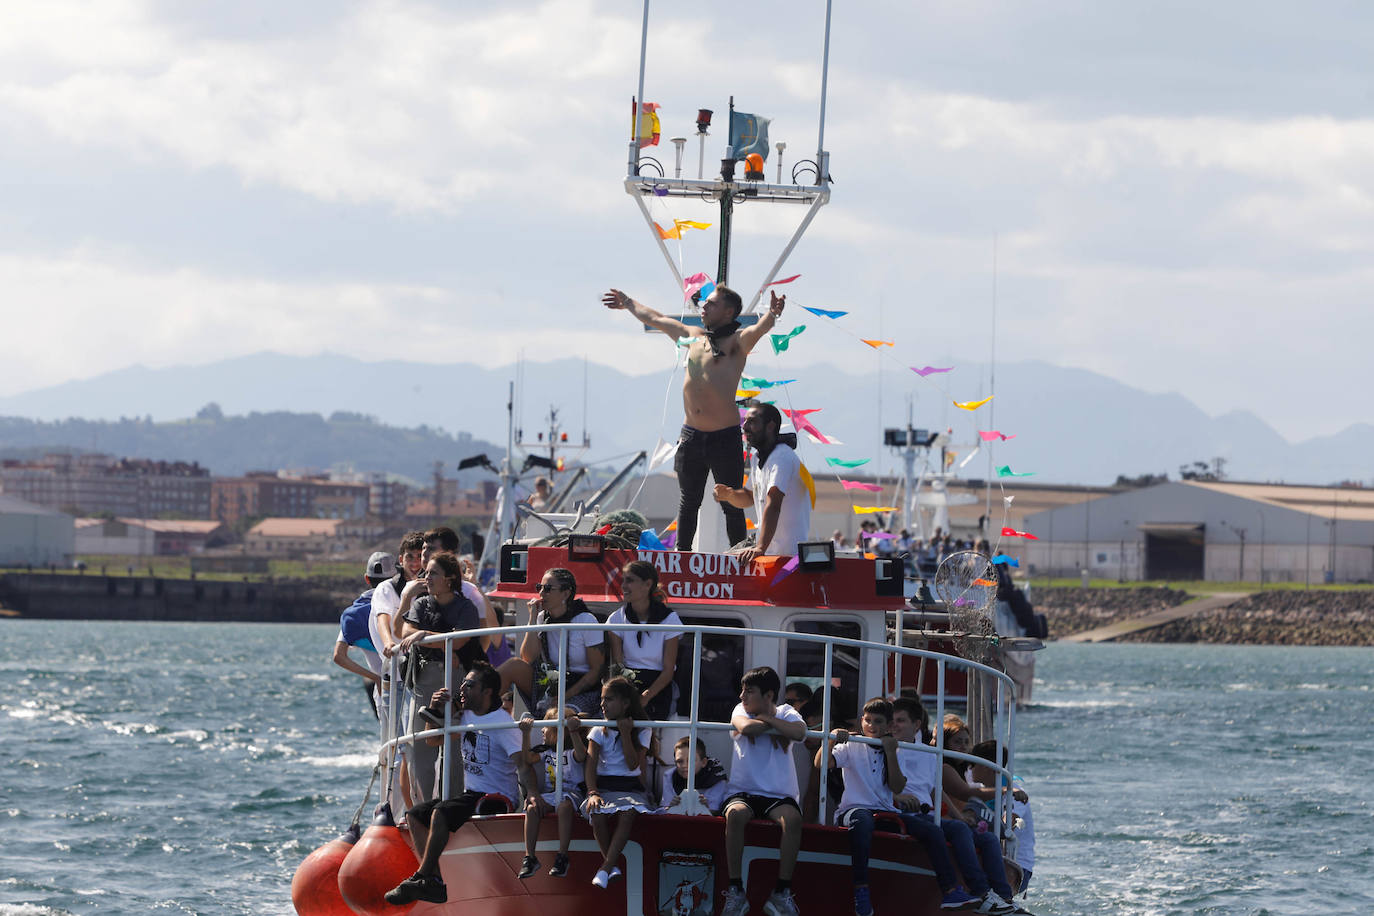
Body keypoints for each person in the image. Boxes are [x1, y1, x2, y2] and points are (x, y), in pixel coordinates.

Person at [603, 285, 786, 551]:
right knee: (689, 502)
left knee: (731, 504)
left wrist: (771, 314)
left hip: (725, 438)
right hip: (691, 436)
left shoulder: (737, 343)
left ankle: (739, 555)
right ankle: (683, 555)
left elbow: (759, 329)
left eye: (711, 304)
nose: (704, 307)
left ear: (728, 311)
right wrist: (628, 302)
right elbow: (656, 319)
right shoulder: (693, 337)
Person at [384, 663, 532, 905]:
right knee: (415, 815)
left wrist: (532, 795)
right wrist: (434, 709)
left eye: (470, 685)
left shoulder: (502, 724)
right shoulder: (467, 716)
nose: (462, 688)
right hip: (471, 793)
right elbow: (433, 741)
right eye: (463, 683)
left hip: (495, 797)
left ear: (487, 692)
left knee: (441, 812)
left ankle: (422, 877)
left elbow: (523, 765)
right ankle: (433, 880)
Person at [815, 697, 922, 916]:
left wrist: (891, 752)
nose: (871, 726)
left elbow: (897, 786)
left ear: (888, 725)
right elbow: (821, 764)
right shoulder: (851, 746)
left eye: (878, 721)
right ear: (861, 721)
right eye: (867, 720)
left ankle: (951, 890)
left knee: (928, 829)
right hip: (852, 810)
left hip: (885, 812)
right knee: (863, 821)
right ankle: (861, 891)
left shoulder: (892, 747)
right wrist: (831, 740)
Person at [398, 552, 486, 803]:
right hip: (423, 681)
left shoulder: (465, 607)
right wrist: (430, 638)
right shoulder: (421, 604)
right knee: (421, 746)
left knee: (454, 749)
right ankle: (425, 806)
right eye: (426, 573)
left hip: (455, 681)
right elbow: (406, 630)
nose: (427, 578)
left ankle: (453, 804)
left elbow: (460, 640)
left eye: (433, 573)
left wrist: (425, 635)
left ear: (449, 579)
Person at [720, 666, 806, 916]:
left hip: (778, 796)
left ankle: (781, 892)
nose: (742, 697)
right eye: (743, 691)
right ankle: (736, 890)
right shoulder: (740, 711)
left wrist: (769, 720)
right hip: (742, 792)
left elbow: (799, 732)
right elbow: (746, 728)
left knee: (793, 820)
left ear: (769, 696)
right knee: (735, 814)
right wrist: (775, 727)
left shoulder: (787, 711)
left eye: (749, 692)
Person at [888, 697, 986, 912]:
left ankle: (980, 891)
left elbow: (935, 789)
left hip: (925, 812)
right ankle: (951, 889)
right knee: (934, 830)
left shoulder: (928, 753)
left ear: (916, 724)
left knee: (960, 828)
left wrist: (959, 816)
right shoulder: (885, 748)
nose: (894, 724)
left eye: (900, 720)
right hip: (899, 811)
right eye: (892, 720)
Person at [939, 716, 1023, 913]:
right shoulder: (943, 767)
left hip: (959, 821)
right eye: (957, 742)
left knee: (988, 839)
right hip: (948, 821)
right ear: (945, 744)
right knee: (972, 833)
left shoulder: (958, 769)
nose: (963, 747)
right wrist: (1005, 790)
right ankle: (983, 892)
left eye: (966, 742)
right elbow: (966, 793)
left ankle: (1004, 897)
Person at [713, 402, 812, 564]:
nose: (745, 426)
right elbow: (748, 496)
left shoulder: (781, 458)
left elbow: (773, 504)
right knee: (724, 560)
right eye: (745, 421)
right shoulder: (758, 458)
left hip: (786, 556)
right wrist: (729, 494)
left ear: (770, 426)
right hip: (768, 552)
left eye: (752, 422)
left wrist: (760, 548)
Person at [503, 566, 606, 716]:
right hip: (552, 685)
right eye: (540, 587)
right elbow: (528, 658)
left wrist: (565, 696)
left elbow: (597, 671)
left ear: (566, 593)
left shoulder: (586, 620)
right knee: (513, 666)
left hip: (582, 689)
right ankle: (481, 715)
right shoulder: (541, 618)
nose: (540, 593)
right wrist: (532, 619)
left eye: (548, 588)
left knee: (560, 714)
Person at [582, 677, 653, 889]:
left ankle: (606, 868)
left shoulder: (643, 729)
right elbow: (590, 766)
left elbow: (633, 765)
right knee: (596, 811)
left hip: (631, 787)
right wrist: (592, 792)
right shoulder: (597, 730)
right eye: (602, 699)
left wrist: (624, 733)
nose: (603, 704)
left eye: (609, 699)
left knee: (628, 812)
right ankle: (610, 867)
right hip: (604, 787)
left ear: (625, 703)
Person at [517, 706, 589, 879]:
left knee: (564, 807)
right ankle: (530, 857)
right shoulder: (546, 751)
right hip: (551, 793)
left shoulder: (572, 751)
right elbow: (528, 759)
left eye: (547, 726)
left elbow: (582, 755)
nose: (542, 729)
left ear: (558, 731)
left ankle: (562, 856)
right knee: (532, 808)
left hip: (572, 793)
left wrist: (572, 731)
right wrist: (526, 734)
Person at [606, 560, 682, 721]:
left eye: (630, 580)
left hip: (659, 686)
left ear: (648, 584)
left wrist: (646, 696)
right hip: (627, 685)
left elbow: (668, 671)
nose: (623, 586)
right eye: (623, 580)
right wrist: (631, 697)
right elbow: (619, 667)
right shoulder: (617, 618)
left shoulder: (669, 619)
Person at [968, 740, 1036, 907]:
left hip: (1018, 867)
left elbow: (1008, 823)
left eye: (972, 764)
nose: (969, 769)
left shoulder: (1015, 795)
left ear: (985, 767)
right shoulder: (980, 789)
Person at [331, 553, 392, 713]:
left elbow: (339, 656)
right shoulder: (401, 603)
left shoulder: (353, 614)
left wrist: (374, 678)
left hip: (383, 689)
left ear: (367, 578)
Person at [659, 735, 730, 814]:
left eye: (690, 760)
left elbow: (716, 812)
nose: (684, 765)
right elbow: (665, 809)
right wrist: (671, 807)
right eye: (679, 761)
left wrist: (706, 808)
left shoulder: (716, 777)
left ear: (703, 762)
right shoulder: (670, 776)